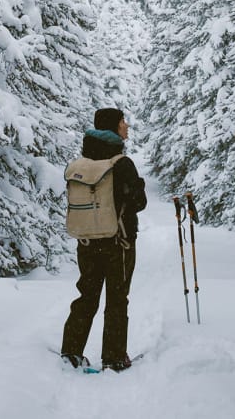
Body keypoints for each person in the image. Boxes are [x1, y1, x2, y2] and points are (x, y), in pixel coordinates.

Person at [61, 108, 147, 372]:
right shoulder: (121, 163)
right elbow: (139, 203)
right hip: (118, 244)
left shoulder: (81, 164)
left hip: (86, 242)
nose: (127, 126)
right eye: (123, 122)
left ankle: (71, 352)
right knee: (117, 299)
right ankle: (113, 358)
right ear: (113, 127)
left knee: (87, 295)